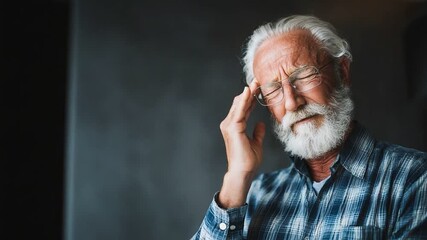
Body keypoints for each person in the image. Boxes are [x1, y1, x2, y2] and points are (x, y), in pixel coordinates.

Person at [192, 15, 427, 239]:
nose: (292, 102)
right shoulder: (256, 194)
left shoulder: (413, 178)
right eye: (273, 89)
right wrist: (236, 175)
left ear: (342, 72)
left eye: (304, 76)